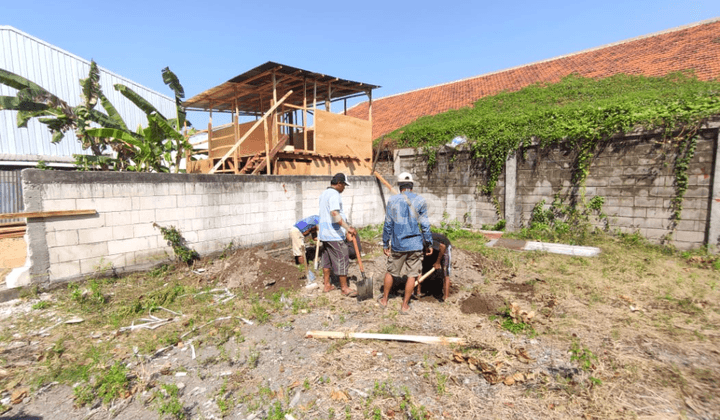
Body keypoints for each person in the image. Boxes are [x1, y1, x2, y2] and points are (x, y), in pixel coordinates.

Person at [378, 172, 432, 313]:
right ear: (412, 186)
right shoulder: (420, 201)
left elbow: (388, 224)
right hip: (415, 244)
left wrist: (385, 243)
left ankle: (384, 300)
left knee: (390, 271)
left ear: (399, 185)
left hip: (398, 244)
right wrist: (429, 242)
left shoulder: (392, 201)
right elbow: (425, 225)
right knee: (412, 275)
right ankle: (404, 306)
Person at [318, 173, 358, 297]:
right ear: (339, 183)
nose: (344, 188)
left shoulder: (324, 194)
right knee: (342, 257)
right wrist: (348, 228)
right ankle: (344, 288)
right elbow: (334, 213)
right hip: (333, 234)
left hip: (324, 234)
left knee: (327, 260)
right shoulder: (335, 195)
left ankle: (327, 285)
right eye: (344, 185)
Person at [419, 231, 452, 301]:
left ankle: (446, 299)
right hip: (433, 248)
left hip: (444, 246)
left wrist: (437, 262)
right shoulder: (414, 241)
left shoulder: (425, 240)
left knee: (445, 271)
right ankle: (418, 292)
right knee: (421, 267)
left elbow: (443, 247)